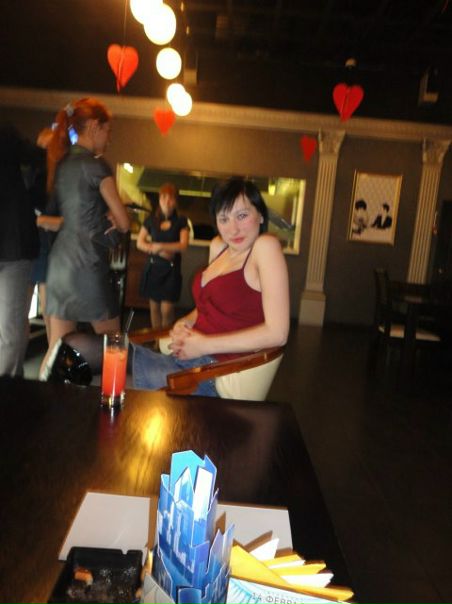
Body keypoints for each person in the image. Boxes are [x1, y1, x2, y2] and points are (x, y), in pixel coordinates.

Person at [44, 177, 290, 397]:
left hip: (208, 372)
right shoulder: (220, 246)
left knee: (97, 382)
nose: (233, 228)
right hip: (182, 359)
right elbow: (208, 306)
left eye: (242, 215)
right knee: (74, 348)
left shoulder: (264, 247)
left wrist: (204, 344)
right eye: (223, 218)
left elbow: (278, 333)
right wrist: (186, 321)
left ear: (260, 215)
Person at [39, 97, 130, 378]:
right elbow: (124, 222)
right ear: (93, 126)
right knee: (114, 347)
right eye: (107, 130)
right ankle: (113, 401)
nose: (109, 138)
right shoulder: (97, 166)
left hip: (60, 264)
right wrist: (113, 217)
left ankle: (40, 399)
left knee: (56, 349)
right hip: (87, 263)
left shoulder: (61, 163)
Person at [0, 123, 45, 376]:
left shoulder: (5, 135)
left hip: (13, 246)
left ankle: (7, 389)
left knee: (9, 328)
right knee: (10, 328)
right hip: (13, 244)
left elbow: (39, 158)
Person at [137, 183, 189, 328]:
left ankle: (165, 339)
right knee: (154, 308)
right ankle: (156, 338)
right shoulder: (150, 220)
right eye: (164, 197)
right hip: (153, 267)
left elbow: (183, 245)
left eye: (171, 198)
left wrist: (160, 246)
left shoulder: (181, 221)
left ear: (176, 201)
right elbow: (140, 242)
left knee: (167, 310)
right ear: (159, 199)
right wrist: (154, 249)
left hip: (171, 271)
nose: (167, 201)